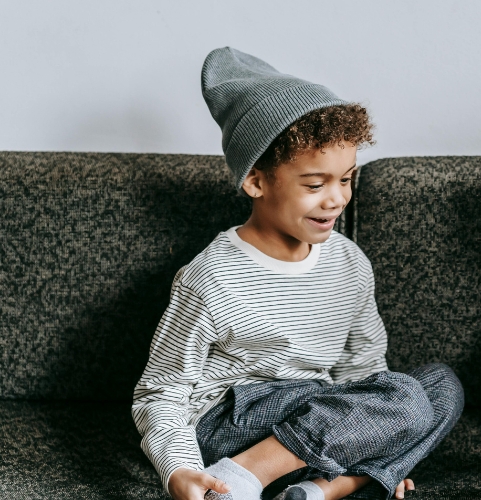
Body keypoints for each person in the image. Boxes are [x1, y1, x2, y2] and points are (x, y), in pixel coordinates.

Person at [132, 47, 464, 500]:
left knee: (440, 386)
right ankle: (247, 476)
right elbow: (161, 391)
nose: (336, 200)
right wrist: (178, 470)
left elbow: (363, 370)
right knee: (405, 400)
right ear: (256, 181)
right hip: (232, 423)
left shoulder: (349, 263)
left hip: (318, 423)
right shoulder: (210, 276)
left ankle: (318, 490)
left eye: (346, 179)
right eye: (314, 185)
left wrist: (382, 431)